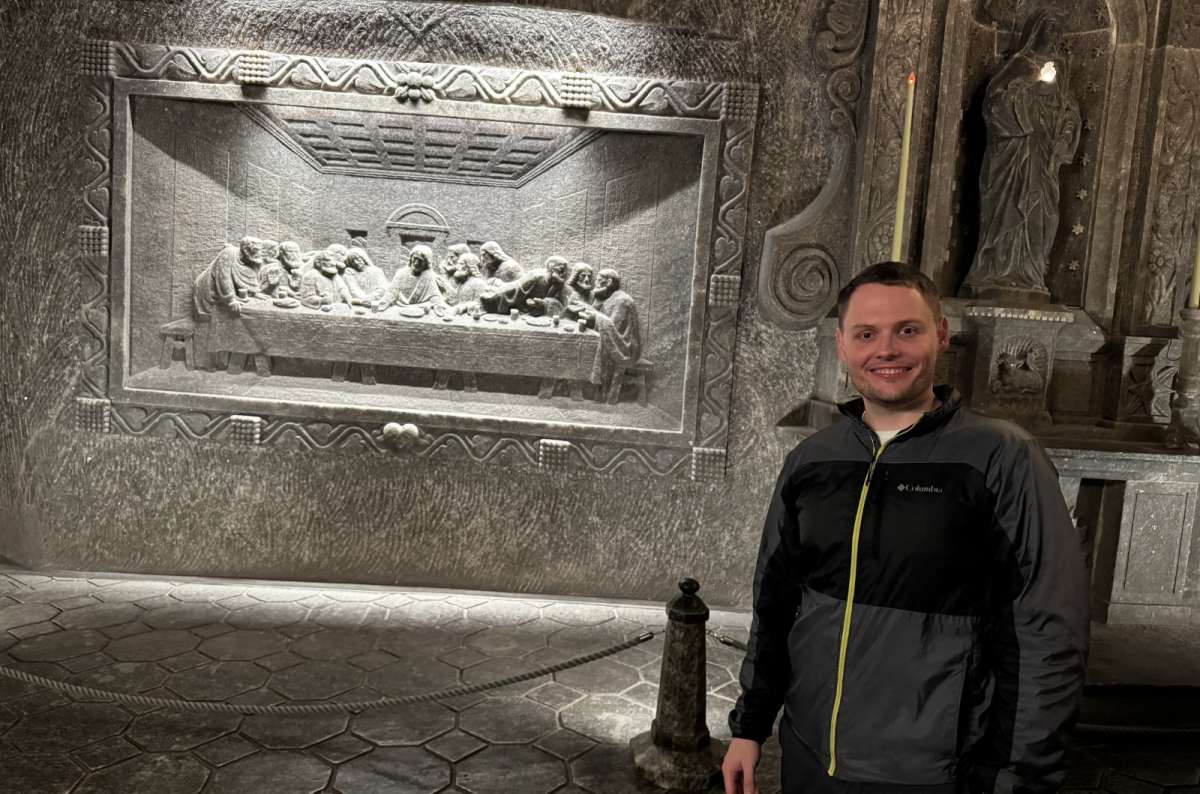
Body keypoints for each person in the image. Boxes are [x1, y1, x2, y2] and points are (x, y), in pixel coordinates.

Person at [722, 262, 1089, 794]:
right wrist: (750, 726)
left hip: (932, 773)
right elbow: (775, 604)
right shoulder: (811, 461)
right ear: (843, 346)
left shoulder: (1000, 458)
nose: (886, 350)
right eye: (866, 334)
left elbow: (1048, 631)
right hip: (809, 758)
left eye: (907, 330)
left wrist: (1020, 777)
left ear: (940, 335)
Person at [960, 11, 1079, 299]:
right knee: (1009, 208)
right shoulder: (1019, 65)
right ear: (1036, 32)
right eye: (1049, 28)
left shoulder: (1061, 74)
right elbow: (995, 105)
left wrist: (1064, 126)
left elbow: (1070, 113)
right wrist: (1033, 91)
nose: (1054, 35)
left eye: (1058, 31)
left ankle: (1031, 272)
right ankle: (998, 270)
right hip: (1013, 157)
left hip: (1044, 161)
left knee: (1043, 213)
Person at [578, 268, 640, 403]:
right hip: (616, 340)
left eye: (599, 281)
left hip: (624, 347)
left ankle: (601, 392)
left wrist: (595, 316)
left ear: (609, 282)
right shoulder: (612, 298)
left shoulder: (622, 301)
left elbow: (613, 329)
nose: (595, 283)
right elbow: (606, 323)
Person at [193, 236, 265, 316]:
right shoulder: (228, 253)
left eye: (260, 250)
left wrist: (255, 292)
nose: (260, 253)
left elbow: (249, 272)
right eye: (257, 250)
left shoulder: (247, 259)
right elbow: (224, 277)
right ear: (245, 250)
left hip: (228, 291)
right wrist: (231, 299)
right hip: (210, 290)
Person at [480, 256, 570, 316]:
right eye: (560, 270)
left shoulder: (558, 284)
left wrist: (543, 304)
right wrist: (492, 296)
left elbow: (561, 305)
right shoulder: (536, 276)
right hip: (515, 304)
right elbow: (513, 291)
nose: (563, 275)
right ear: (550, 269)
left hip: (533, 314)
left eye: (564, 272)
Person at [374, 244, 445, 310]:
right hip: (399, 308)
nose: (416, 263)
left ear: (426, 263)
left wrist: (433, 304)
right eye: (415, 258)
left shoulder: (429, 277)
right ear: (410, 258)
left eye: (420, 261)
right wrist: (385, 301)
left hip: (419, 309)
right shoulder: (401, 273)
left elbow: (435, 296)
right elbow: (392, 292)